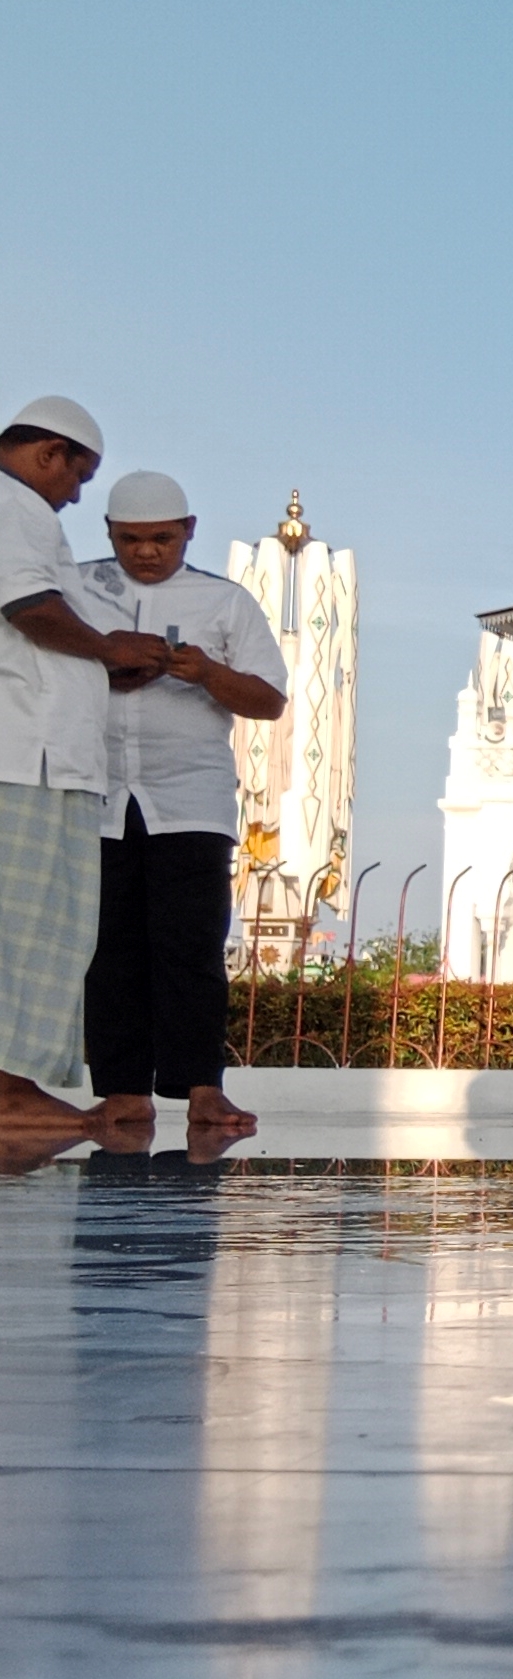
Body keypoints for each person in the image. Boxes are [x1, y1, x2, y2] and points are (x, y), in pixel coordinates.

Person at [75, 470, 288, 1141]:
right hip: (96, 793)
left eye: (161, 538)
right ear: (108, 533)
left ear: (188, 531)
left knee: (190, 947)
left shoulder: (224, 603)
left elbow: (269, 700)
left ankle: (202, 1090)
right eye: (130, 539)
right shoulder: (76, 590)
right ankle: (121, 1094)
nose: (145, 552)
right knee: (108, 949)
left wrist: (207, 674)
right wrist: (105, 666)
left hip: (190, 800)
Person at [0, 397, 166, 1130]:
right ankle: (8, 1084)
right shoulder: (15, 505)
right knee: (27, 926)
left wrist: (107, 666)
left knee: (51, 925)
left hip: (45, 752)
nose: (75, 494)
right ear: (47, 455)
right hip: (25, 755)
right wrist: (110, 649)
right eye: (78, 477)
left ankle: (16, 1079)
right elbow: (27, 606)